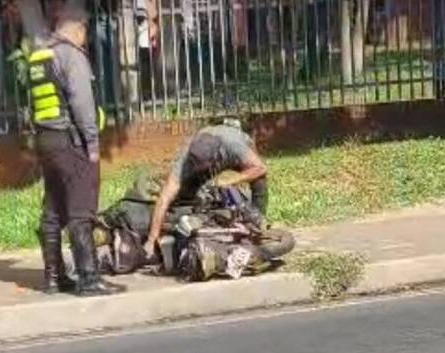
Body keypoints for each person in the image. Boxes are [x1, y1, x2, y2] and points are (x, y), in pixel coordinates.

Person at [29, 6, 122, 296]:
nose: (86, 39)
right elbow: (82, 105)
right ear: (78, 28)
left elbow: (33, 105)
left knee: (53, 210)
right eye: (85, 32)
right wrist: (92, 145)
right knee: (81, 209)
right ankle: (89, 279)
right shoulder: (72, 56)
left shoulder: (39, 57)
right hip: (71, 142)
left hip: (46, 140)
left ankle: (53, 278)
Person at [144, 119, 268, 256]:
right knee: (188, 196)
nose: (197, 167)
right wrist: (151, 239)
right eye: (196, 164)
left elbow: (261, 168)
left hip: (232, 149)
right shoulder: (186, 159)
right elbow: (164, 198)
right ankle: (208, 221)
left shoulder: (233, 145)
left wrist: (232, 179)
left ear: (213, 159)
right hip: (206, 155)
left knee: (259, 179)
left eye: (202, 165)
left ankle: (258, 220)